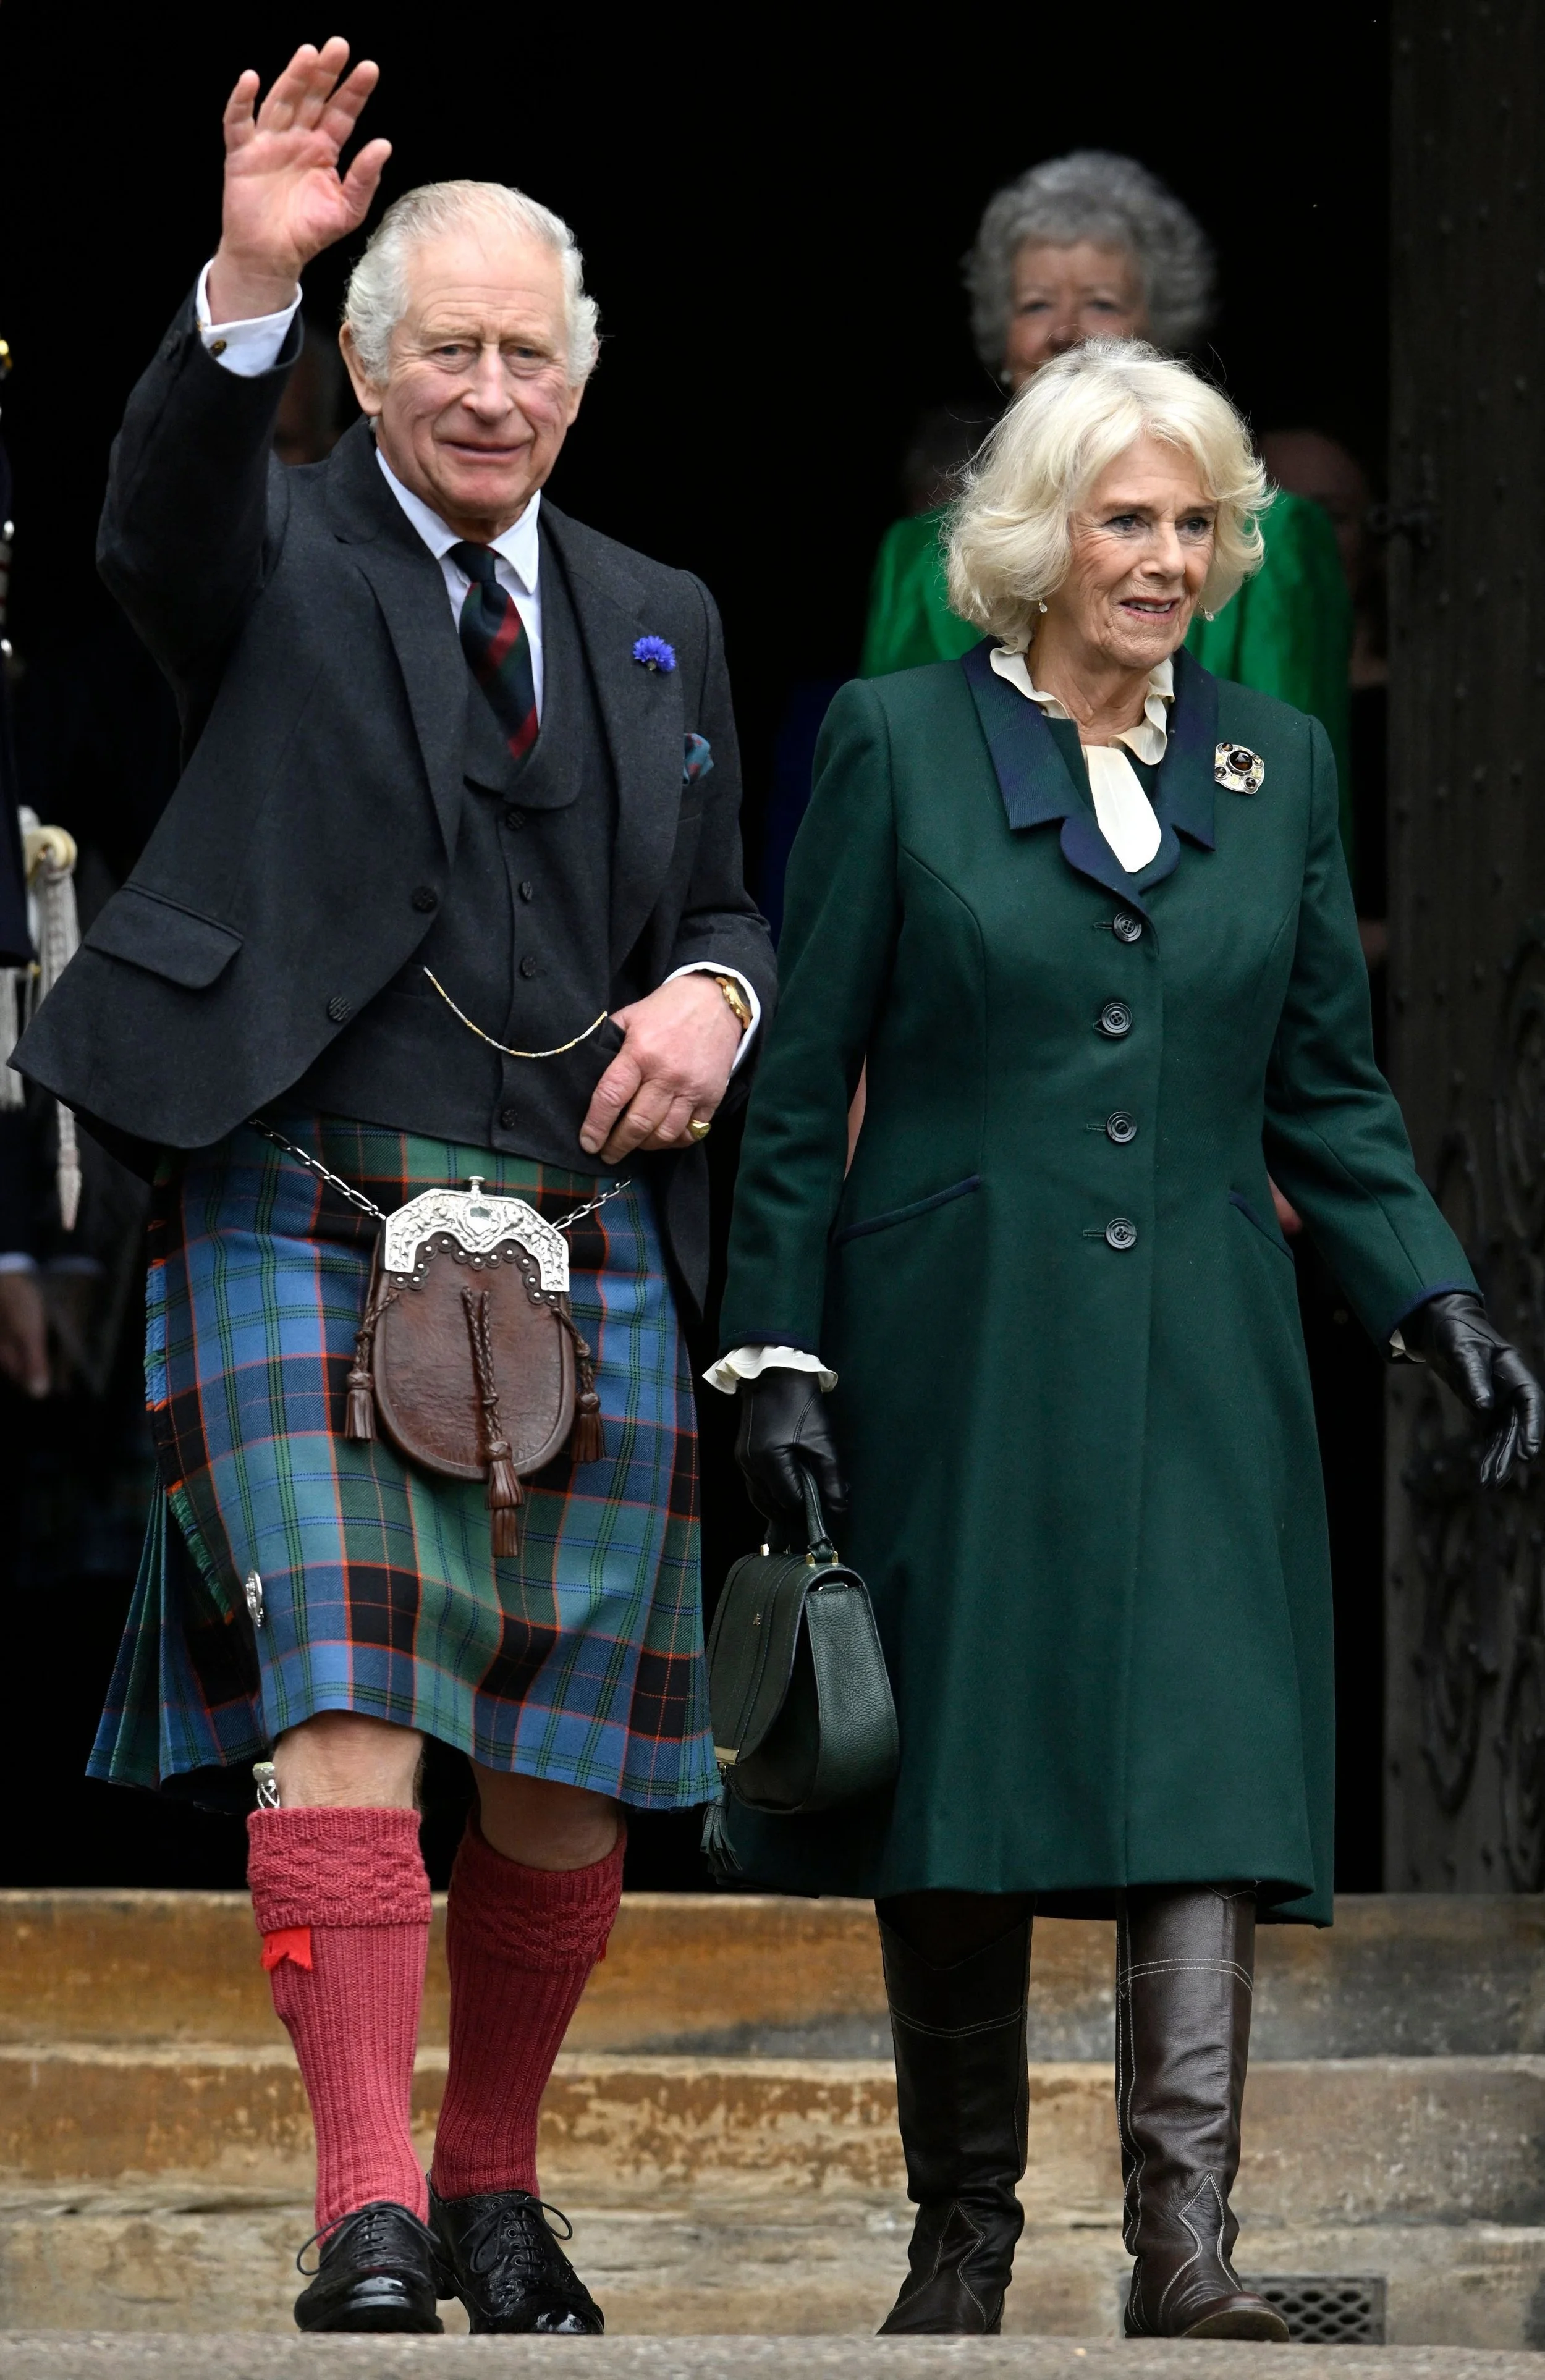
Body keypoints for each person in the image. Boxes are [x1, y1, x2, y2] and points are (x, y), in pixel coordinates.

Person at [17, 39, 773, 2338]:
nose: (488, 388)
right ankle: (362, 2207)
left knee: (565, 1753)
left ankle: (496, 2189)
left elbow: (729, 903)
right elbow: (157, 520)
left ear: (580, 383)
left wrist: (723, 1004)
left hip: (578, 1220)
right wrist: (243, 275)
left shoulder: (660, 613)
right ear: (358, 369)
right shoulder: (276, 553)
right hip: (306, 1175)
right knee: (346, 1689)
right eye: (440, 345)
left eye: (526, 352)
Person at [709, 340, 1540, 2340]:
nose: (1170, 559)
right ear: (1036, 541)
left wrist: (1437, 1297)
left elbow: (1326, 1095)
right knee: (964, 1779)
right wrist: (776, 1362)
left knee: (1212, 1758)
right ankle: (961, 2242)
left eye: (1200, 523)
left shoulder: (1277, 768)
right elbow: (804, 1080)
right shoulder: (900, 744)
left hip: (1208, 1343)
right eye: (1129, 520)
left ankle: (1189, 2252)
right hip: (957, 1339)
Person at [861, 152, 1354, 856]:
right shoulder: (916, 555)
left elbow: (1295, 816)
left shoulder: (1272, 541)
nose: (1065, 330)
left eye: (1101, 302)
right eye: (1035, 304)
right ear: (1003, 342)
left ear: (1160, 334)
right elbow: (889, 802)